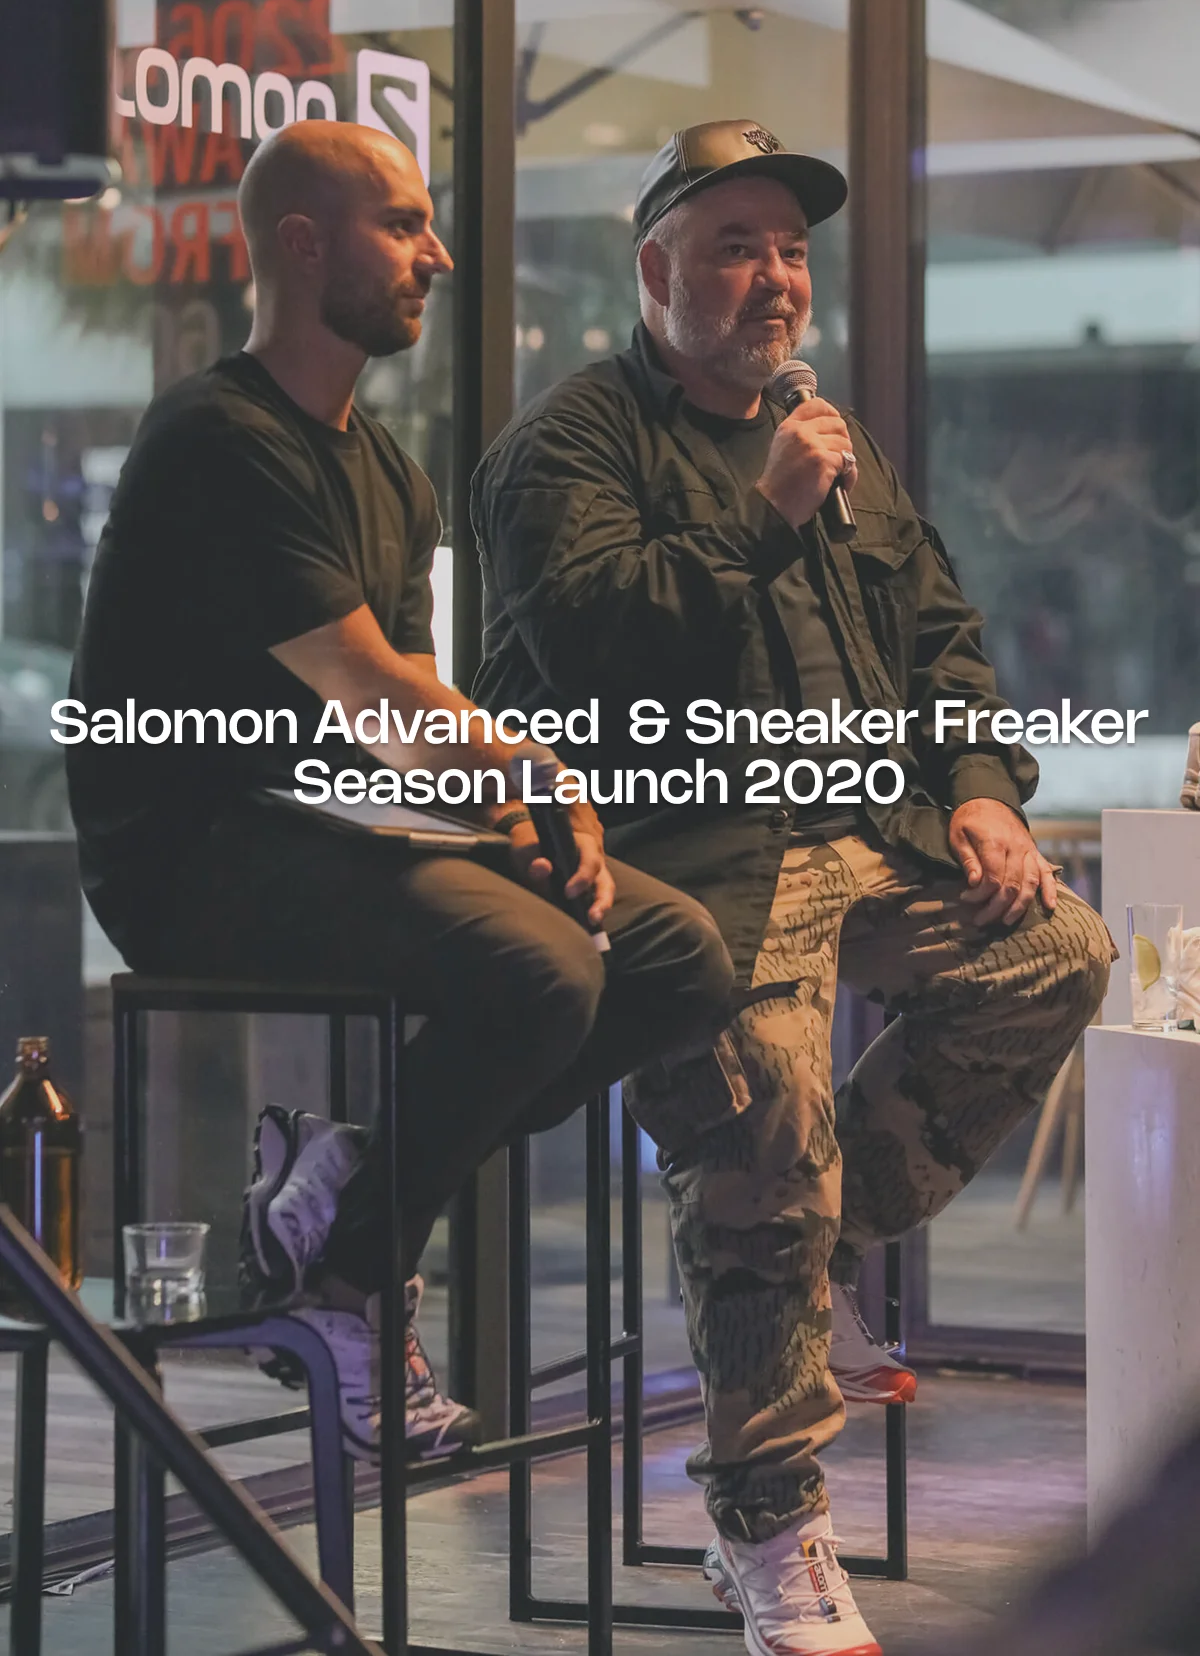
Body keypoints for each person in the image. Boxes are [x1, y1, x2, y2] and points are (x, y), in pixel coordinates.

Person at [470, 119, 1115, 1655]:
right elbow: (595, 655)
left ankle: (801, 1269)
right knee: (767, 1118)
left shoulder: (834, 443)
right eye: (735, 247)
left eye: (791, 249)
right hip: (685, 872)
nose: (774, 280)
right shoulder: (570, 445)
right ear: (654, 271)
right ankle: (769, 1533)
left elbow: (945, 643)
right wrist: (759, 513)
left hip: (863, 842)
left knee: (1060, 953)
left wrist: (972, 788)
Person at [67, 119, 735, 1464]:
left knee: (674, 951)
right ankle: (350, 1287)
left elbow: (412, 731)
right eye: (403, 223)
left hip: (334, 830)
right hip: (193, 855)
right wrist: (534, 783)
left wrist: (544, 821)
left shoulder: (390, 472)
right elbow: (378, 694)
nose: (435, 252)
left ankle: (348, 1188)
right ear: (302, 243)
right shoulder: (217, 436)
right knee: (546, 973)